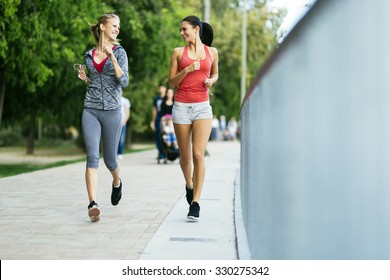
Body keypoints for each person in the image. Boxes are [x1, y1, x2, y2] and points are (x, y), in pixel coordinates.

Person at [77, 13, 129, 222]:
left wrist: (112, 58)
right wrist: (86, 79)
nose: (117, 29)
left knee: (110, 160)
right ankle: (93, 204)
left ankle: (117, 182)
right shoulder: (89, 54)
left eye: (118, 26)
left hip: (112, 111)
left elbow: (123, 81)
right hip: (90, 109)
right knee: (92, 157)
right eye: (114, 26)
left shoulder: (120, 52)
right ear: (102, 27)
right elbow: (95, 83)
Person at [169, 15, 219, 220]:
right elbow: (172, 82)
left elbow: (216, 74)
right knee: (186, 157)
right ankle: (189, 185)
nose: (182, 33)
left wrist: (211, 81)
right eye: (180, 30)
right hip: (181, 106)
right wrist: (187, 69)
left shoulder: (212, 52)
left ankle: (195, 203)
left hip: (202, 107)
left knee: (199, 155)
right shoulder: (178, 53)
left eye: (185, 29)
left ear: (196, 29)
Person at [151, 85, 167, 160]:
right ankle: (160, 153)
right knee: (158, 136)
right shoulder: (156, 99)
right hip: (158, 119)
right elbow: (154, 110)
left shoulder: (167, 97)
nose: (161, 89)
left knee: (165, 135)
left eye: (163, 88)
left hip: (166, 119)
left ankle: (166, 152)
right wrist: (153, 120)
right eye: (160, 88)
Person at [117, 91, 131, 159]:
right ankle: (114, 153)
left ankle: (120, 153)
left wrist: (124, 120)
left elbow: (127, 112)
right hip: (114, 123)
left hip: (122, 122)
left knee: (121, 139)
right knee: (114, 139)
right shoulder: (113, 99)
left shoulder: (125, 100)